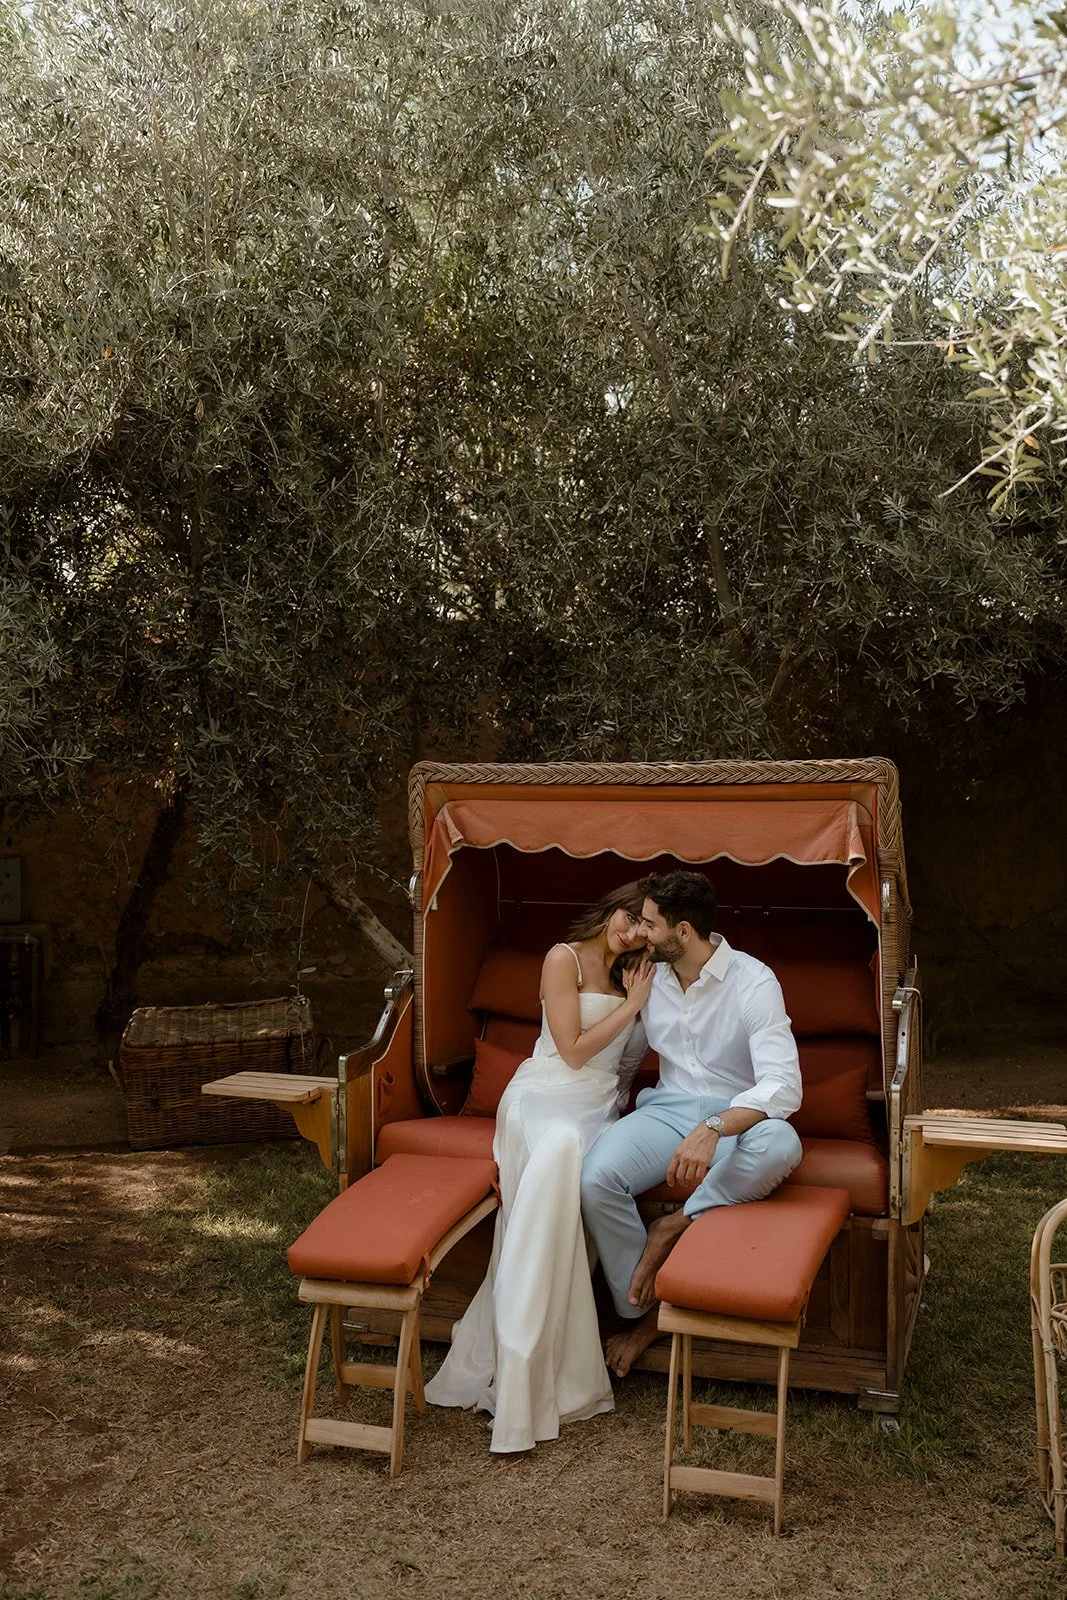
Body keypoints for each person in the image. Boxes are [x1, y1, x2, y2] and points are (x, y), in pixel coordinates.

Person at [424, 884, 654, 1453]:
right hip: (544, 1095)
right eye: (629, 917)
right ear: (613, 907)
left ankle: (556, 1367)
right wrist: (631, 1007)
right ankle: (521, 1364)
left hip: (598, 1104)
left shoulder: (637, 976)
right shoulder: (563, 958)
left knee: (582, 1160)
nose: (631, 932)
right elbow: (571, 1050)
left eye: (645, 928)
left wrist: (621, 1108)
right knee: (555, 1153)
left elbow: (622, 1070)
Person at [580, 870, 804, 1378]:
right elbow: (630, 1057)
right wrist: (607, 1115)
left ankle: (672, 1227)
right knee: (595, 1178)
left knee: (782, 1145)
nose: (641, 932)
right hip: (664, 1110)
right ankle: (646, 1311)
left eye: (651, 924)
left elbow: (783, 1086)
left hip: (736, 1119)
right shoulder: (647, 975)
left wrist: (715, 1126)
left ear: (683, 932)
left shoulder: (753, 980)